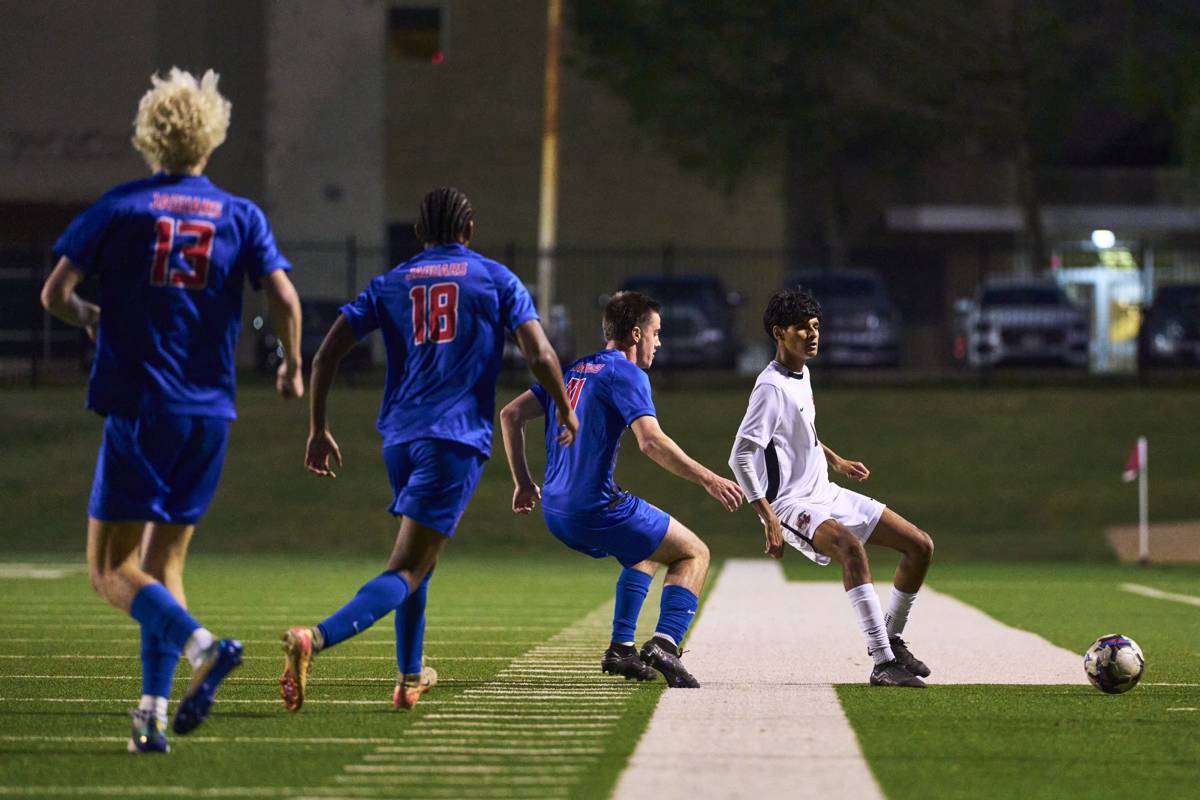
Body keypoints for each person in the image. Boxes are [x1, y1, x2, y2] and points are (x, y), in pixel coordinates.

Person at [39, 68, 304, 752]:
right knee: (164, 568)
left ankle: (201, 646)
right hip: (209, 413)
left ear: (149, 136)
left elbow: (54, 294)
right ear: (210, 139)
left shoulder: (122, 206)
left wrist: (90, 314)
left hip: (140, 402)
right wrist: (293, 364)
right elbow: (285, 300)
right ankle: (152, 716)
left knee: (109, 571)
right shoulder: (240, 214)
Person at [279, 187, 578, 711]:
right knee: (408, 567)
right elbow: (540, 351)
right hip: (453, 439)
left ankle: (410, 677)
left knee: (421, 560)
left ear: (419, 235)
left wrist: (318, 428)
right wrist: (565, 408)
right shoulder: (494, 278)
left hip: (400, 438)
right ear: (470, 231)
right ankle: (315, 639)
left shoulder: (392, 282)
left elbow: (326, 354)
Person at [499, 291, 743, 688]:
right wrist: (709, 479)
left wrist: (523, 482)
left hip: (555, 511)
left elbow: (510, 414)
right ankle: (666, 643)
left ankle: (621, 650)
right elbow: (651, 442)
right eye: (656, 332)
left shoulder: (573, 369)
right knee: (694, 552)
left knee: (645, 551)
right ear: (635, 334)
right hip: (593, 508)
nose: (659, 342)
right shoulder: (627, 373)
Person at [727, 287, 935, 688]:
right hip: (790, 504)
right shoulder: (770, 387)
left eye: (816, 326)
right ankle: (882, 662)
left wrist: (834, 460)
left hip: (825, 492)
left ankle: (891, 639)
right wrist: (767, 515)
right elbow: (740, 455)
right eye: (802, 328)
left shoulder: (801, 373)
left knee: (920, 545)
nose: (812, 334)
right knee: (850, 549)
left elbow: (799, 432)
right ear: (778, 333)